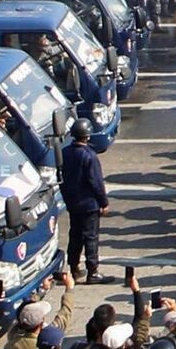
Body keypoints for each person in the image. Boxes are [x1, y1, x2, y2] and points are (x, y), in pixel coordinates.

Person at [59, 118, 110, 283]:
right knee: (91, 237)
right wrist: (103, 202)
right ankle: (92, 271)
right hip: (88, 204)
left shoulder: (65, 152)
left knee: (75, 235)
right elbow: (96, 182)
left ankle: (73, 268)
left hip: (73, 203)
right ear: (87, 136)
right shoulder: (89, 155)